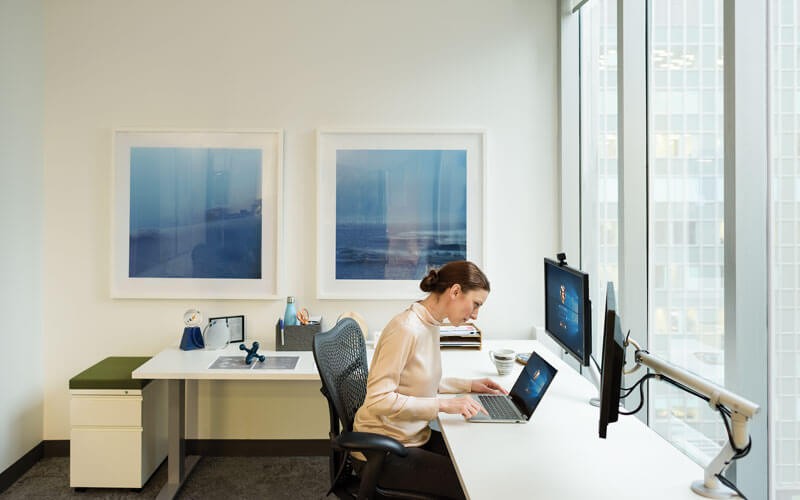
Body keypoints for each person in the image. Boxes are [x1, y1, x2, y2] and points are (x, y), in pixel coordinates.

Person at [353, 260, 507, 499]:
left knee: (481, 464)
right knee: (474, 487)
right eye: (476, 304)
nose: (476, 315)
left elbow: (418, 381)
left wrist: (468, 385)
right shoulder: (406, 329)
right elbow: (378, 400)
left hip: (413, 438)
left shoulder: (430, 323)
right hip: (385, 452)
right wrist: (443, 404)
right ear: (455, 291)